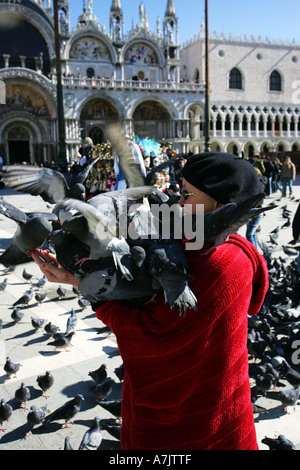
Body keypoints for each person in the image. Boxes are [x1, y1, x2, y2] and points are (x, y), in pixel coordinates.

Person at [30, 152, 269, 450]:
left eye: (187, 194)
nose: (178, 202)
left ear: (221, 205)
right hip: (189, 410)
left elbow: (155, 334)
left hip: (199, 420)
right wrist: (77, 275)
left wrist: (89, 290)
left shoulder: (223, 263)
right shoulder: (187, 239)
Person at [245, 167, 267, 248]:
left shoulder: (258, 184)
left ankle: (254, 252)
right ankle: (255, 250)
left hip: (256, 210)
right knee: (252, 233)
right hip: (253, 210)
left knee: (249, 234)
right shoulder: (258, 182)